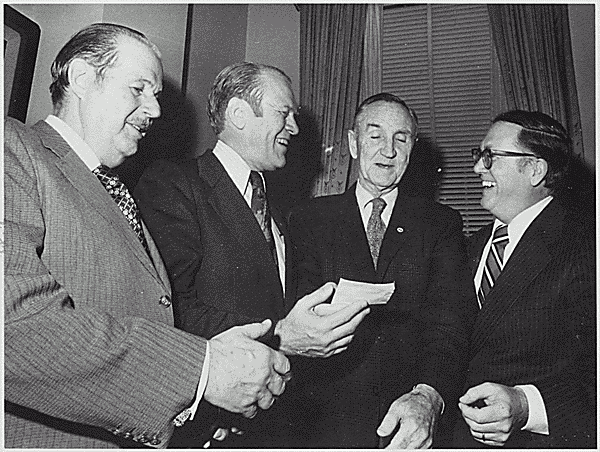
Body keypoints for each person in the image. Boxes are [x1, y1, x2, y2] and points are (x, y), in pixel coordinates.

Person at [4, 23, 292, 449]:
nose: (155, 111)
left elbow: (143, 317)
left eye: (154, 94)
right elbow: (16, 327)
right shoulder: (14, 149)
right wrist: (202, 371)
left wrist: (197, 407)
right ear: (82, 77)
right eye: (138, 89)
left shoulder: (117, 191)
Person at [134, 62, 370, 447]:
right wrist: (280, 336)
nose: (294, 127)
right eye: (284, 113)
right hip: (208, 429)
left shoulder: (278, 209)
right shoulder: (174, 185)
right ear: (240, 114)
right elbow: (167, 308)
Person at [288, 92, 476, 448]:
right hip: (322, 417)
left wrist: (428, 396)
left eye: (400, 139)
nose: (387, 150)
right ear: (353, 143)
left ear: (412, 149)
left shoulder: (440, 224)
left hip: (410, 414)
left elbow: (450, 323)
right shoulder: (307, 219)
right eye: (374, 136)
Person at [451, 110, 596, 448]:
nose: (477, 168)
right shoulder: (464, 246)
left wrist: (527, 407)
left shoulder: (586, 246)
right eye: (479, 156)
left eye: (490, 157)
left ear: (534, 169)